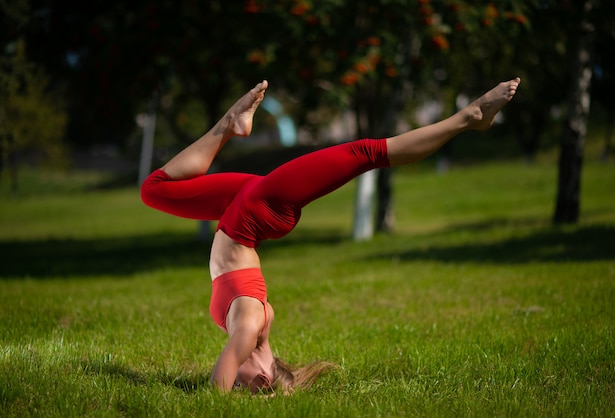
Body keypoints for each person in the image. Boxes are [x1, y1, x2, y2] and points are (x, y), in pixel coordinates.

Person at [141, 77, 521, 394]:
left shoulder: (254, 326)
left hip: (245, 211)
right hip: (257, 211)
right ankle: (467, 118)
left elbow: (232, 367)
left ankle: (230, 125)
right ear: (261, 376)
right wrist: (213, 402)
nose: (236, 385)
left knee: (154, 189)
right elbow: (219, 381)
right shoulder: (250, 327)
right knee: (365, 153)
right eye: (245, 388)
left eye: (237, 390)